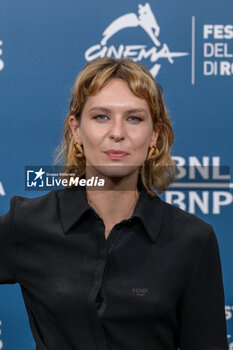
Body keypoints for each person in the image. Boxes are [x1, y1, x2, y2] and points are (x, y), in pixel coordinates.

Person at [0, 57, 228, 350]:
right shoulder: (28, 223)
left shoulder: (191, 239)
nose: (117, 133)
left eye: (134, 118)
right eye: (101, 117)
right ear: (77, 130)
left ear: (154, 135)